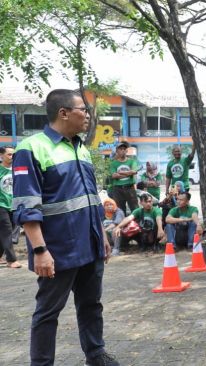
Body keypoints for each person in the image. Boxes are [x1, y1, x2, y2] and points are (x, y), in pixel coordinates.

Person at [12, 89, 119, 365]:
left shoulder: (80, 147)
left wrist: (103, 235)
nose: (87, 115)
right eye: (83, 109)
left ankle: (96, 355)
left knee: (91, 305)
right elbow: (27, 205)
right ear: (63, 113)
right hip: (58, 249)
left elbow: (90, 197)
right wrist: (40, 250)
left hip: (90, 242)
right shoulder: (32, 148)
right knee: (48, 312)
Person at [0, 146, 21, 268]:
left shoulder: (16, 170)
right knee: (7, 231)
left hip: (14, 205)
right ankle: (11, 260)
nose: (12, 157)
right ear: (1, 155)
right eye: (9, 154)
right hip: (1, 205)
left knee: (6, 232)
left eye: (13, 154)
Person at [110, 141, 139, 214]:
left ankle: (137, 224)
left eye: (124, 149)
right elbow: (114, 175)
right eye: (120, 149)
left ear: (126, 151)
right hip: (118, 189)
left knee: (135, 208)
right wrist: (128, 173)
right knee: (120, 210)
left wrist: (120, 173)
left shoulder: (132, 161)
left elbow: (134, 172)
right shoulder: (113, 163)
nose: (123, 150)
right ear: (117, 151)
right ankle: (121, 224)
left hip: (130, 187)